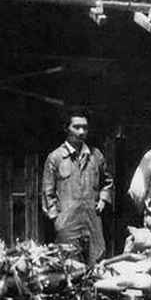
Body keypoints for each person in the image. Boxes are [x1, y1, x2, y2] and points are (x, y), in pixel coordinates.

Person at [41, 111, 114, 264]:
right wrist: (57, 219)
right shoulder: (55, 158)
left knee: (97, 261)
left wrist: (103, 200)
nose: (81, 132)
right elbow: (48, 192)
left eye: (85, 128)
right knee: (70, 265)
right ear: (67, 129)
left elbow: (107, 181)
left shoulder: (96, 156)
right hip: (67, 222)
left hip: (92, 220)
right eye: (77, 127)